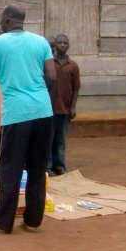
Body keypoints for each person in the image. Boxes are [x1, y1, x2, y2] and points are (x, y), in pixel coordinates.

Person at [0, 5, 56, 235]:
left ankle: (2, 223)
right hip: (43, 111)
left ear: (6, 19)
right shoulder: (41, 42)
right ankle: (33, 222)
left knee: (10, 169)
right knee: (37, 169)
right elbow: (52, 77)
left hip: (17, 113)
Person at [48, 34, 81, 176]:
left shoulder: (73, 66)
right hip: (49, 109)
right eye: (59, 43)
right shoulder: (49, 63)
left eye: (65, 43)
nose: (62, 45)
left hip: (65, 110)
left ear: (68, 46)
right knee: (48, 140)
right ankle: (48, 166)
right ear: (54, 46)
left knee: (60, 141)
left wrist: (73, 107)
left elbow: (76, 87)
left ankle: (60, 165)